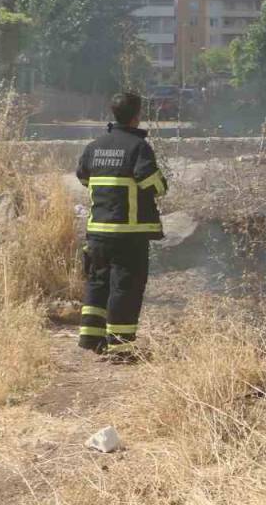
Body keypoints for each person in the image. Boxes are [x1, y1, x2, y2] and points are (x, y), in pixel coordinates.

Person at [75, 92, 168, 362]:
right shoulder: (137, 148)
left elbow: (83, 178)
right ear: (136, 116)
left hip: (97, 233)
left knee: (98, 282)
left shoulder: (94, 147)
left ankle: (92, 338)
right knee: (125, 287)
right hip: (129, 234)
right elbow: (155, 185)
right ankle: (121, 349)